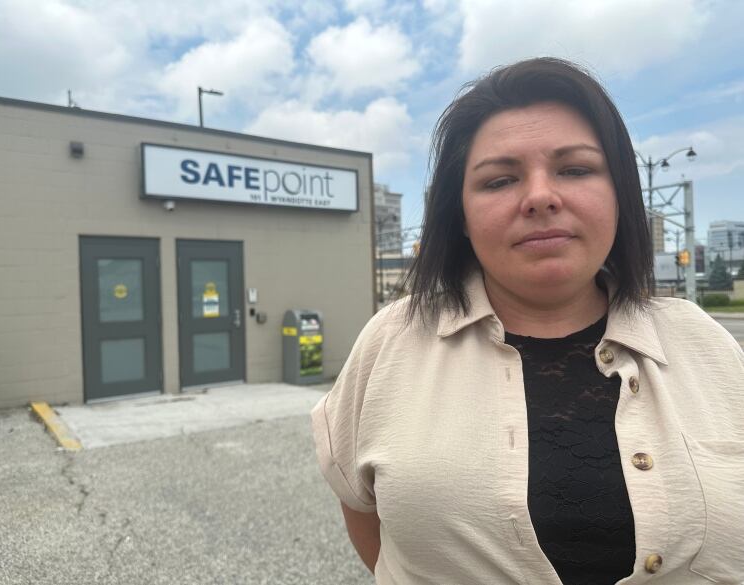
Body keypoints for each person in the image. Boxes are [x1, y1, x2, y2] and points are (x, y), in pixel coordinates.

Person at [311, 58, 744, 585]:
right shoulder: (392, 341)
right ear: (461, 217)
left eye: (576, 169)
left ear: (621, 197)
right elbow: (361, 508)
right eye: (499, 180)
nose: (540, 196)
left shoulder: (706, 344)